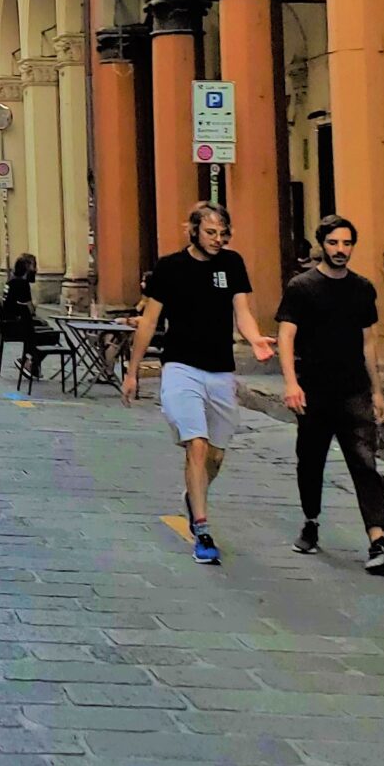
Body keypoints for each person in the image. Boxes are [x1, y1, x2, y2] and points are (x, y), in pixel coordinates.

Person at [122, 202, 274, 564]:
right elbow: (148, 322)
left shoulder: (232, 264)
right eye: (210, 232)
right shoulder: (170, 268)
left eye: (223, 233)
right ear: (192, 231)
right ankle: (202, 530)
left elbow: (243, 311)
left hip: (220, 370)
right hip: (180, 367)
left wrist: (254, 339)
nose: (218, 239)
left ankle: (194, 495)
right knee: (198, 444)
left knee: (217, 456)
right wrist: (132, 371)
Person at [277, 214, 384, 574]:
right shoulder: (302, 287)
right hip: (314, 390)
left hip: (353, 390)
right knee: (310, 460)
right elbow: (286, 336)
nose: (341, 250)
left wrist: (378, 391)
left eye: (347, 243)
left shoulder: (363, 289)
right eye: (334, 243)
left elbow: (369, 342)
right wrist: (291, 383)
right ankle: (311, 520)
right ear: (322, 244)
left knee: (365, 464)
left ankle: (378, 540)